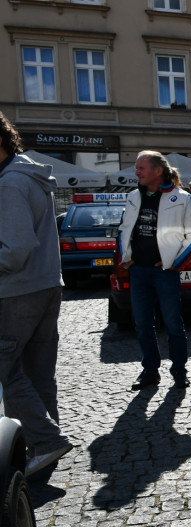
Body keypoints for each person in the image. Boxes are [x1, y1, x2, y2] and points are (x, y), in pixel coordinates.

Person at [0, 111, 73, 476]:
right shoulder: (29, 173)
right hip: (45, 285)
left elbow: (14, 250)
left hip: (18, 290)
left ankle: (45, 440)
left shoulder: (9, 183)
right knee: (39, 372)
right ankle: (45, 445)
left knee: (7, 371)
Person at [118, 150, 191, 390]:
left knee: (173, 323)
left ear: (158, 171)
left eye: (141, 168)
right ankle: (150, 372)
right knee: (143, 324)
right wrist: (127, 258)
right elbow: (124, 229)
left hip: (166, 271)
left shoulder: (182, 198)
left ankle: (179, 372)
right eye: (137, 168)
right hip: (138, 271)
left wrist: (176, 261)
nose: (137, 172)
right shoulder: (133, 196)